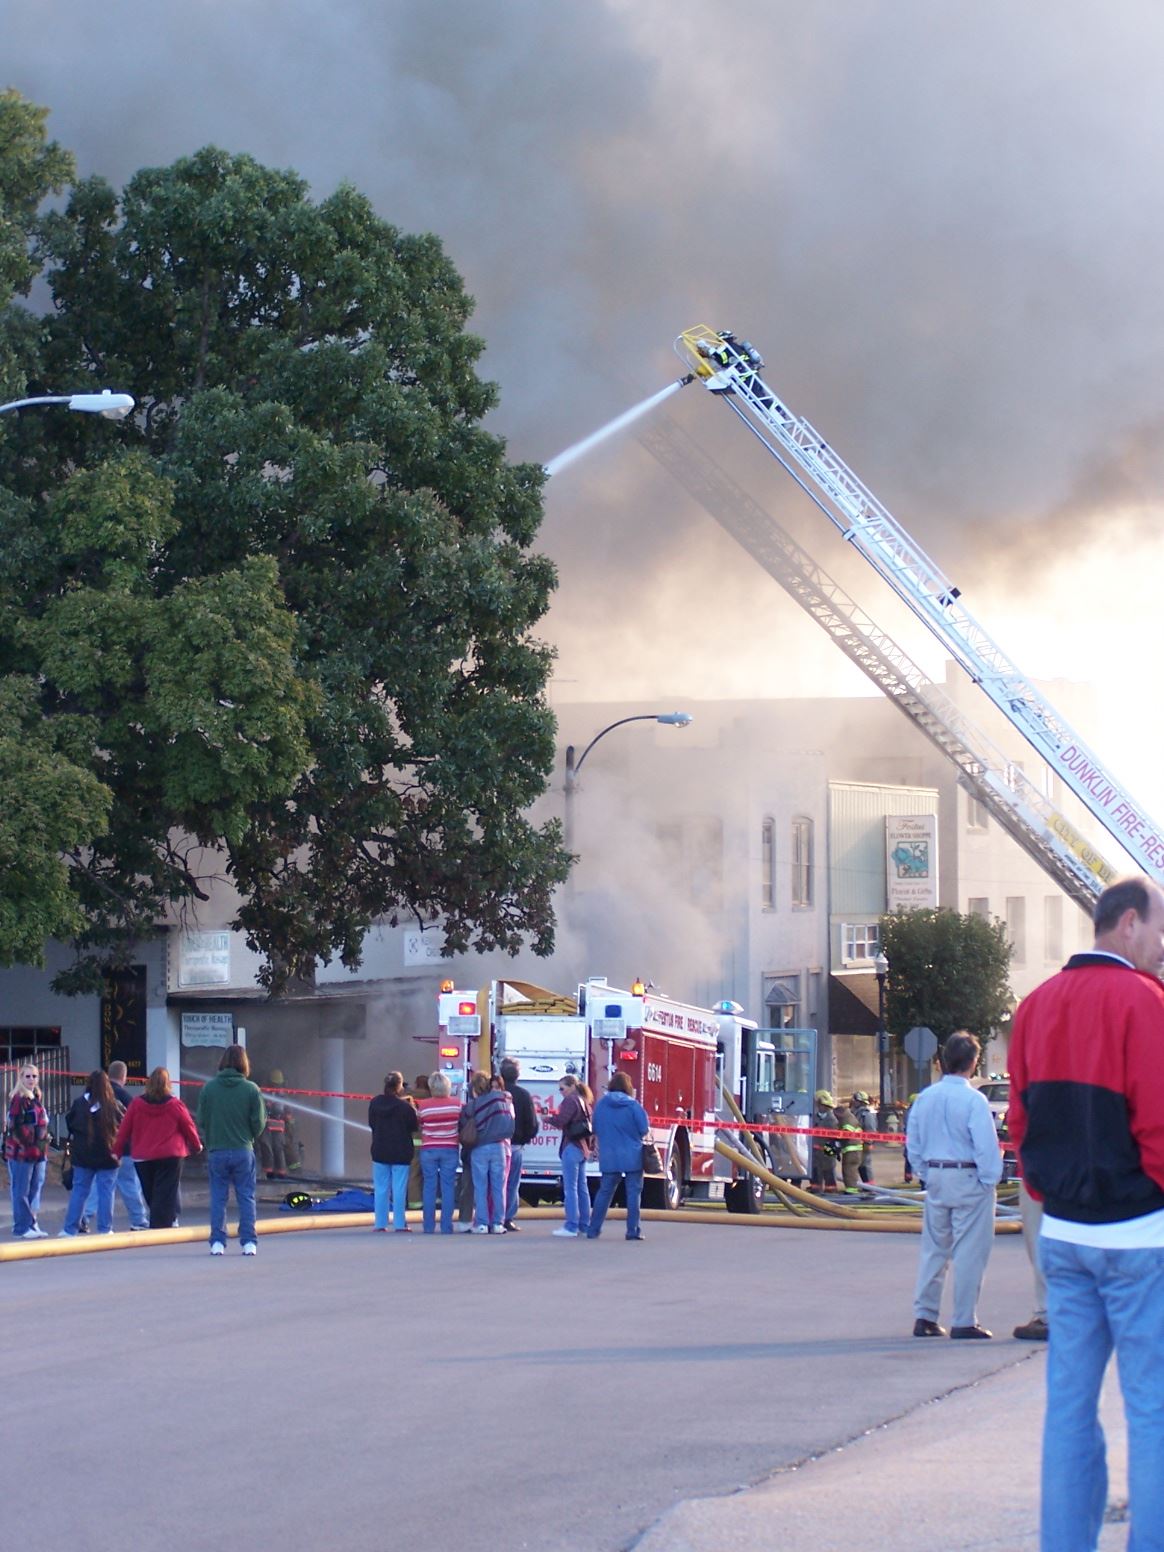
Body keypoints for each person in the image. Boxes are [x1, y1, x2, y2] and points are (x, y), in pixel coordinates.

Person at [1007, 875, 1164, 1550]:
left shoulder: (1034, 1006)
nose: (1162, 945)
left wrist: (1054, 1199)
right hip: (1140, 1235)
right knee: (1153, 1410)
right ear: (1129, 923)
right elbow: (1158, 1125)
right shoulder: (1146, 1002)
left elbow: (1019, 1122)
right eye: (1159, 929)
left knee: (1068, 1408)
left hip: (1064, 1236)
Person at [907, 1031, 1001, 1339]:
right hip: (968, 1175)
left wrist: (925, 1172)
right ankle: (964, 1319)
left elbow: (914, 1143)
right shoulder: (974, 1100)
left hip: (936, 1175)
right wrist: (989, 1179)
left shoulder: (925, 1097)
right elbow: (985, 1146)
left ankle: (925, 1316)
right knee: (969, 1251)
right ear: (973, 1062)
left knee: (934, 1249)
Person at [196, 1043, 266, 1256]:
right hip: (243, 1150)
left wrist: (214, 1134)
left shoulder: (209, 1088)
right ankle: (248, 1243)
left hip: (217, 1150)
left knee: (218, 1197)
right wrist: (250, 1136)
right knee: (246, 1196)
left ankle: (217, 1242)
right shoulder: (251, 1089)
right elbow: (259, 1122)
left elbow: (201, 1119)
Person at [114, 1067, 202, 1229]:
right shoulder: (175, 1105)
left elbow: (124, 1129)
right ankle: (163, 1224)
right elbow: (188, 1126)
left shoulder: (137, 1104)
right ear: (168, 1084)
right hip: (171, 1154)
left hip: (143, 1155)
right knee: (166, 1191)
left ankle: (160, 1221)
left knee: (150, 1193)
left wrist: (117, 1151)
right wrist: (196, 1145)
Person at [586, 1072, 650, 1242]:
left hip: (609, 1154)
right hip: (632, 1154)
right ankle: (632, 1230)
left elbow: (596, 1128)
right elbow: (644, 1129)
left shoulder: (601, 1105)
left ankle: (593, 1229)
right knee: (633, 1193)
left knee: (604, 1192)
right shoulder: (633, 1106)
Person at [60, 1069, 123, 1236]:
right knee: (106, 1193)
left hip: (83, 1155)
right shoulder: (113, 1105)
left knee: (79, 1192)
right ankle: (105, 1228)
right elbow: (123, 1125)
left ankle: (70, 1229)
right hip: (108, 1155)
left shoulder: (79, 1104)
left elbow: (70, 1124)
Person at [461, 1071, 514, 1234]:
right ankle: (498, 1223)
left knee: (480, 1187)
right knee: (499, 1187)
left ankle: (482, 1223)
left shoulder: (471, 1106)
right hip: (499, 1146)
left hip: (479, 1148)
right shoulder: (501, 1099)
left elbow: (463, 1125)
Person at [368, 1071, 419, 1232]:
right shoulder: (405, 1107)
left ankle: (380, 1223)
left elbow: (372, 1123)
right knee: (399, 1188)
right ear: (399, 1086)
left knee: (381, 1188)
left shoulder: (375, 1103)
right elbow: (414, 1127)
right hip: (401, 1152)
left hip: (380, 1150)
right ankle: (399, 1223)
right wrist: (413, 1109)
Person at [5, 1061, 49, 1239]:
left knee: (34, 1188)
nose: (31, 1079)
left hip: (38, 1152)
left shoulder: (35, 1098)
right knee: (21, 1189)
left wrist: (42, 1142)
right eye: (27, 1076)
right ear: (21, 1078)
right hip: (22, 1154)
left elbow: (41, 1125)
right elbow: (16, 1127)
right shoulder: (19, 1099)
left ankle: (31, 1223)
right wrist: (30, 1145)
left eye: (34, 1076)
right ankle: (21, 1227)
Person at [416, 1072, 459, 1234]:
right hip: (450, 1148)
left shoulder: (424, 1105)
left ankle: (428, 1226)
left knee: (429, 1187)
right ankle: (446, 1226)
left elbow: (420, 1124)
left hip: (429, 1149)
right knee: (448, 1187)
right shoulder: (456, 1105)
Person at [500, 1056, 539, 1232]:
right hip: (515, 1147)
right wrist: (524, 1139)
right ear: (517, 1075)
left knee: (494, 1183)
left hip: (492, 1145)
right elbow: (532, 1123)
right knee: (512, 1183)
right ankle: (507, 1218)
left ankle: (492, 1217)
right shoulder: (523, 1095)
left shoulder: (493, 1094)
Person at [552, 1075, 592, 1238]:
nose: (560, 1092)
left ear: (571, 1087)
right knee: (582, 1188)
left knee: (571, 1189)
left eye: (562, 1088)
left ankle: (571, 1226)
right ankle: (584, 1224)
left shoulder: (570, 1101)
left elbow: (561, 1120)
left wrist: (547, 1118)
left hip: (571, 1147)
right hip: (583, 1148)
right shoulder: (585, 1102)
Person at [258, 1070, 295, 1180]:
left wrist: (288, 1122)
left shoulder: (282, 1096)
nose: (276, 1086)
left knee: (276, 1149)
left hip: (276, 1126)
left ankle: (280, 1172)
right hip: (269, 1125)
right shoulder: (265, 1093)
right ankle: (270, 1172)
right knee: (268, 1148)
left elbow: (288, 1112)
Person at [810, 1090, 840, 1192]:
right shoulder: (814, 1118)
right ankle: (815, 1188)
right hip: (816, 1150)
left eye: (820, 1105)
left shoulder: (832, 1120)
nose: (819, 1107)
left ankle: (831, 1189)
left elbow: (835, 1137)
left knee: (829, 1170)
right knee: (815, 1170)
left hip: (828, 1149)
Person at [834, 1102, 864, 1193]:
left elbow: (845, 1135)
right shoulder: (851, 1118)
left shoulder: (847, 1120)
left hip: (851, 1151)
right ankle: (852, 1188)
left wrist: (836, 1139)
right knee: (851, 1170)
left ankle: (851, 1190)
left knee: (849, 1170)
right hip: (855, 1150)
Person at [851, 1090, 877, 1184]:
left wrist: (868, 1143)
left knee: (865, 1166)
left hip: (864, 1144)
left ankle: (870, 1187)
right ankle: (866, 1186)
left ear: (860, 1101)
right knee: (860, 1166)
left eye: (855, 1100)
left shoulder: (866, 1115)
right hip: (857, 1144)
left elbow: (870, 1130)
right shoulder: (856, 1113)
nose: (853, 1102)